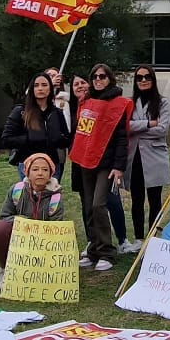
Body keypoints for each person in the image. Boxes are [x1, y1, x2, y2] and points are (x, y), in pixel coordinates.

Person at [68, 64, 132, 272]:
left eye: (102, 76)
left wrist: (119, 166)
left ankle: (107, 251)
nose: (98, 79)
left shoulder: (118, 104)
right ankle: (93, 247)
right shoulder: (86, 102)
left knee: (98, 204)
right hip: (85, 162)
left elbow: (122, 138)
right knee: (88, 206)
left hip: (106, 163)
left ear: (109, 78)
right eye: (94, 76)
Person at [125, 64, 170, 247]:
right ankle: (138, 239)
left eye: (147, 77)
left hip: (154, 156)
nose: (143, 80)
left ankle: (153, 238)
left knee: (155, 199)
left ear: (153, 80)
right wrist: (148, 123)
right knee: (136, 199)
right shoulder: (129, 103)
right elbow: (125, 127)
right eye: (139, 77)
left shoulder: (163, 102)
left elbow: (162, 129)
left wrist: (136, 127)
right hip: (135, 157)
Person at [0, 152, 64, 267]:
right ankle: (5, 269)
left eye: (45, 170)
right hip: (20, 237)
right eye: (35, 169)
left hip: (43, 240)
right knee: (0, 229)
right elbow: (4, 217)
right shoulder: (16, 190)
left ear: (50, 174)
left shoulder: (56, 197)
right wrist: (25, 222)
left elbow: (57, 227)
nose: (40, 173)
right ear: (27, 172)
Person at [0, 73, 71, 178]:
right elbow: (6, 139)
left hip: (51, 164)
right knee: (31, 194)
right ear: (31, 89)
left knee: (50, 194)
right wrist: (28, 138)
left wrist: (57, 138)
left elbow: (66, 139)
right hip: (28, 163)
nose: (40, 88)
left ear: (50, 88)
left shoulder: (56, 112)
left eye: (44, 85)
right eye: (36, 85)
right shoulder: (21, 112)